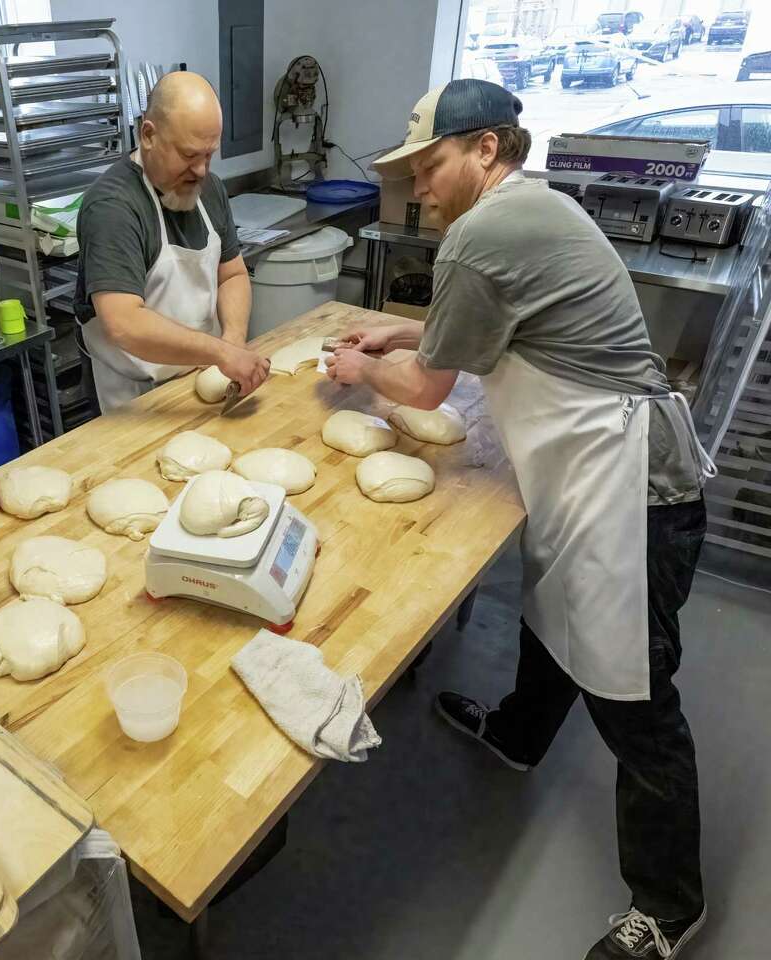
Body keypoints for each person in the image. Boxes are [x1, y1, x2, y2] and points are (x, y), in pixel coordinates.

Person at [327, 79, 714, 960]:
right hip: (593, 471)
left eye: (431, 166)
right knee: (552, 608)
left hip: (636, 490)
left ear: (487, 152)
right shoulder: (528, 210)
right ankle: (518, 734)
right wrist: (401, 337)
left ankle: (670, 905)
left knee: (640, 703)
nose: (419, 186)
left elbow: (429, 388)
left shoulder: (479, 233)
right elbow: (478, 332)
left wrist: (360, 363)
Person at [73, 71, 269, 412]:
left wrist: (234, 339)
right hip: (135, 400)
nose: (202, 171)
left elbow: (233, 275)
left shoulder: (210, 190)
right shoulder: (113, 207)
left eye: (210, 155)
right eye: (190, 155)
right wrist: (220, 352)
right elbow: (124, 323)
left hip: (203, 381)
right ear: (148, 135)